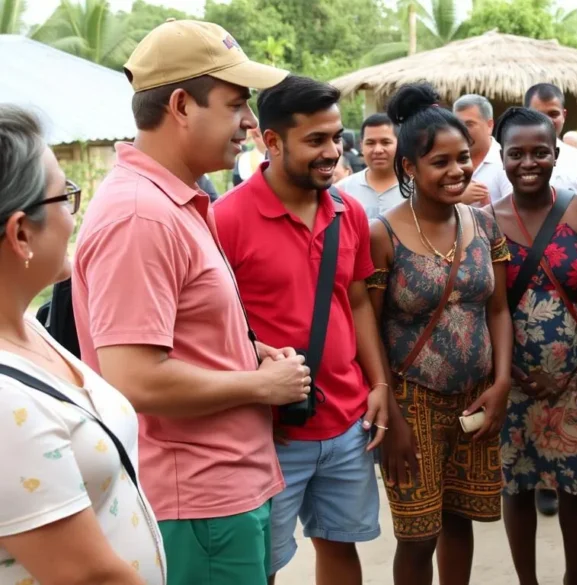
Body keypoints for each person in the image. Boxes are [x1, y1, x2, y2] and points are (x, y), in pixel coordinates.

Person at [72, 20, 309, 585]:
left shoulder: (176, 200)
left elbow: (182, 334)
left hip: (222, 489)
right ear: (181, 105)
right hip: (196, 499)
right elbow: (134, 377)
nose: (250, 122)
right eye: (236, 105)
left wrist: (251, 352)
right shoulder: (141, 215)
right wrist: (260, 386)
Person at [214, 76, 392, 585]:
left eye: (336, 138)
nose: (332, 152)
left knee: (340, 547)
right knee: (260, 563)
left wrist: (378, 384)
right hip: (270, 430)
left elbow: (356, 301)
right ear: (270, 142)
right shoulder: (225, 220)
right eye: (315, 141)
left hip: (345, 422)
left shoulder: (348, 211)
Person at [0, 105, 164, 585]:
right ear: (21, 232)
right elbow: (88, 576)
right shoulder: (5, 403)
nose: (75, 217)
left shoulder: (28, 325)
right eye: (65, 197)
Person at [367, 83, 513, 585]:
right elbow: (369, 325)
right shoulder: (381, 235)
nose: (457, 172)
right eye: (440, 162)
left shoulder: (483, 223)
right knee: (416, 534)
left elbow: (498, 310)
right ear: (409, 167)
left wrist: (501, 384)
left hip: (476, 398)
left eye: (463, 159)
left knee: (459, 519)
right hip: (413, 403)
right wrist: (391, 413)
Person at [490, 107, 577, 585]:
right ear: (502, 158)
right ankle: (528, 581)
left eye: (539, 152)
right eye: (516, 153)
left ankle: (574, 577)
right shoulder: (485, 221)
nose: (528, 162)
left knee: (573, 487)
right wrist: (509, 374)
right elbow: (488, 307)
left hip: (575, 379)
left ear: (556, 153)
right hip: (513, 383)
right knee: (516, 487)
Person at [525, 83, 577, 217]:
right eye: (538, 115)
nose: (547, 121)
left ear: (564, 115)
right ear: (525, 114)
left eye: (553, 114)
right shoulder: (508, 158)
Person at [339, 114, 403, 222]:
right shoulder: (342, 190)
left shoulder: (416, 189)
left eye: (385, 142)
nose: (378, 150)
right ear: (361, 146)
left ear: (400, 144)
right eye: (370, 143)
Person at [453, 94, 513, 206]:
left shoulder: (506, 162)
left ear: (489, 125)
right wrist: (458, 199)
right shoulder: (449, 162)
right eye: (458, 125)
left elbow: (514, 212)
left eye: (469, 124)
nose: (462, 131)